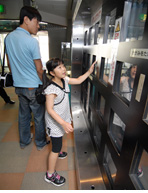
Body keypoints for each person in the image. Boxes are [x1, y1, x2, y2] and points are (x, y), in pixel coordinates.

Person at [44, 58, 96, 186]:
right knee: (55, 148)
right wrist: (63, 123)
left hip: (62, 119)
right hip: (55, 122)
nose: (63, 69)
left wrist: (89, 71)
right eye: (59, 68)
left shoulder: (64, 80)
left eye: (63, 66)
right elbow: (50, 110)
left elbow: (78, 80)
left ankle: (59, 151)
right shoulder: (51, 89)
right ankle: (50, 174)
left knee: (59, 140)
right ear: (52, 73)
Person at [5, 6, 47, 150]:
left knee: (23, 116)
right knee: (39, 116)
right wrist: (45, 84)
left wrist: (18, 77)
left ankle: (24, 142)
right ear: (26, 19)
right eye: (36, 22)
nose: (38, 25)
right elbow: (39, 69)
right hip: (33, 86)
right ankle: (40, 143)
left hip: (19, 86)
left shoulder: (8, 38)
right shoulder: (31, 41)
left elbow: (10, 63)